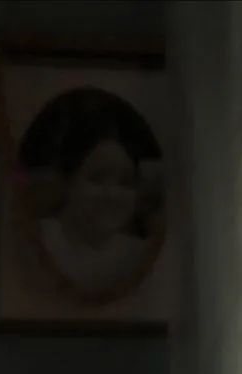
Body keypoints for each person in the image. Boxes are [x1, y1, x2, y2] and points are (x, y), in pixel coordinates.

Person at [13, 87, 166, 303]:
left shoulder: (137, 255)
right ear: (68, 181)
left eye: (126, 183)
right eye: (97, 178)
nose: (112, 194)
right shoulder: (36, 242)